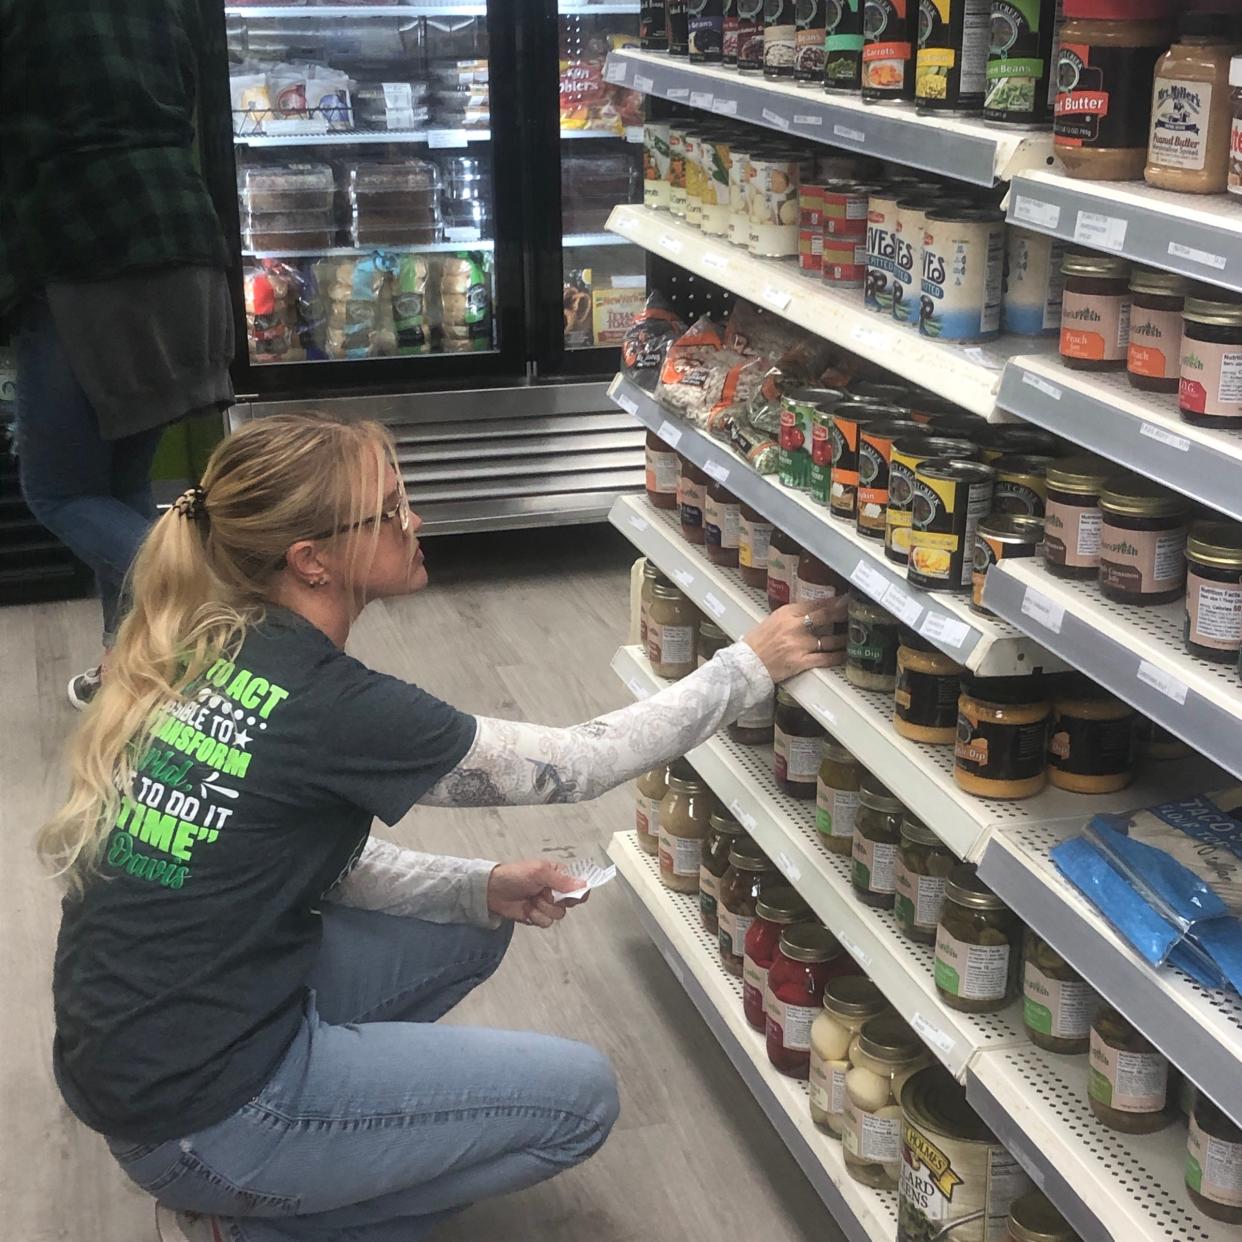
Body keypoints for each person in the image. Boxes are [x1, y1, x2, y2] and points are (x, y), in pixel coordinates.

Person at [40, 413, 839, 1242]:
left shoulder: (214, 642)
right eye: (388, 511)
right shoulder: (332, 703)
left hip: (139, 1055)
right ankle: (261, 1221)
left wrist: (478, 887)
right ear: (311, 560)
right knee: (582, 1101)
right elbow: (576, 763)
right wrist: (751, 664)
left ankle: (298, 1162)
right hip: (200, 1111)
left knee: (471, 927)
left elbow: (303, 856)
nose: (414, 521)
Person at [0, 0, 235, 707]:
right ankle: (127, 673)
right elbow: (188, 99)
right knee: (119, 489)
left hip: (83, 250)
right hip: (183, 235)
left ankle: (222, 605)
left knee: (60, 491)